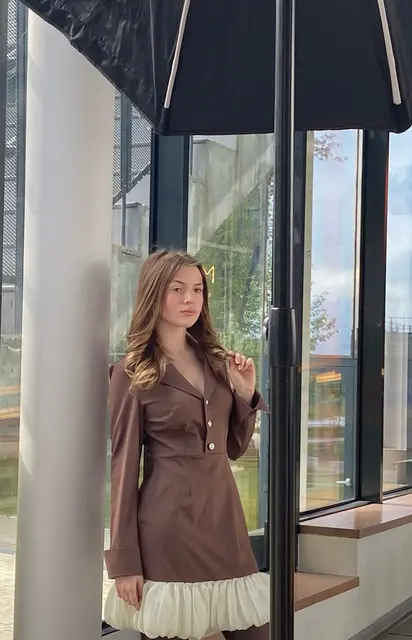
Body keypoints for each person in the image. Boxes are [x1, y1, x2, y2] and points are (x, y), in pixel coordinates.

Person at [104, 249, 270, 640]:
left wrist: (245, 394)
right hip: (168, 527)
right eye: (177, 289)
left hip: (224, 521)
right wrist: (125, 562)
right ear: (154, 293)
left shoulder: (215, 361)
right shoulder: (132, 372)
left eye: (197, 289)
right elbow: (123, 469)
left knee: (255, 632)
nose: (189, 299)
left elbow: (233, 448)